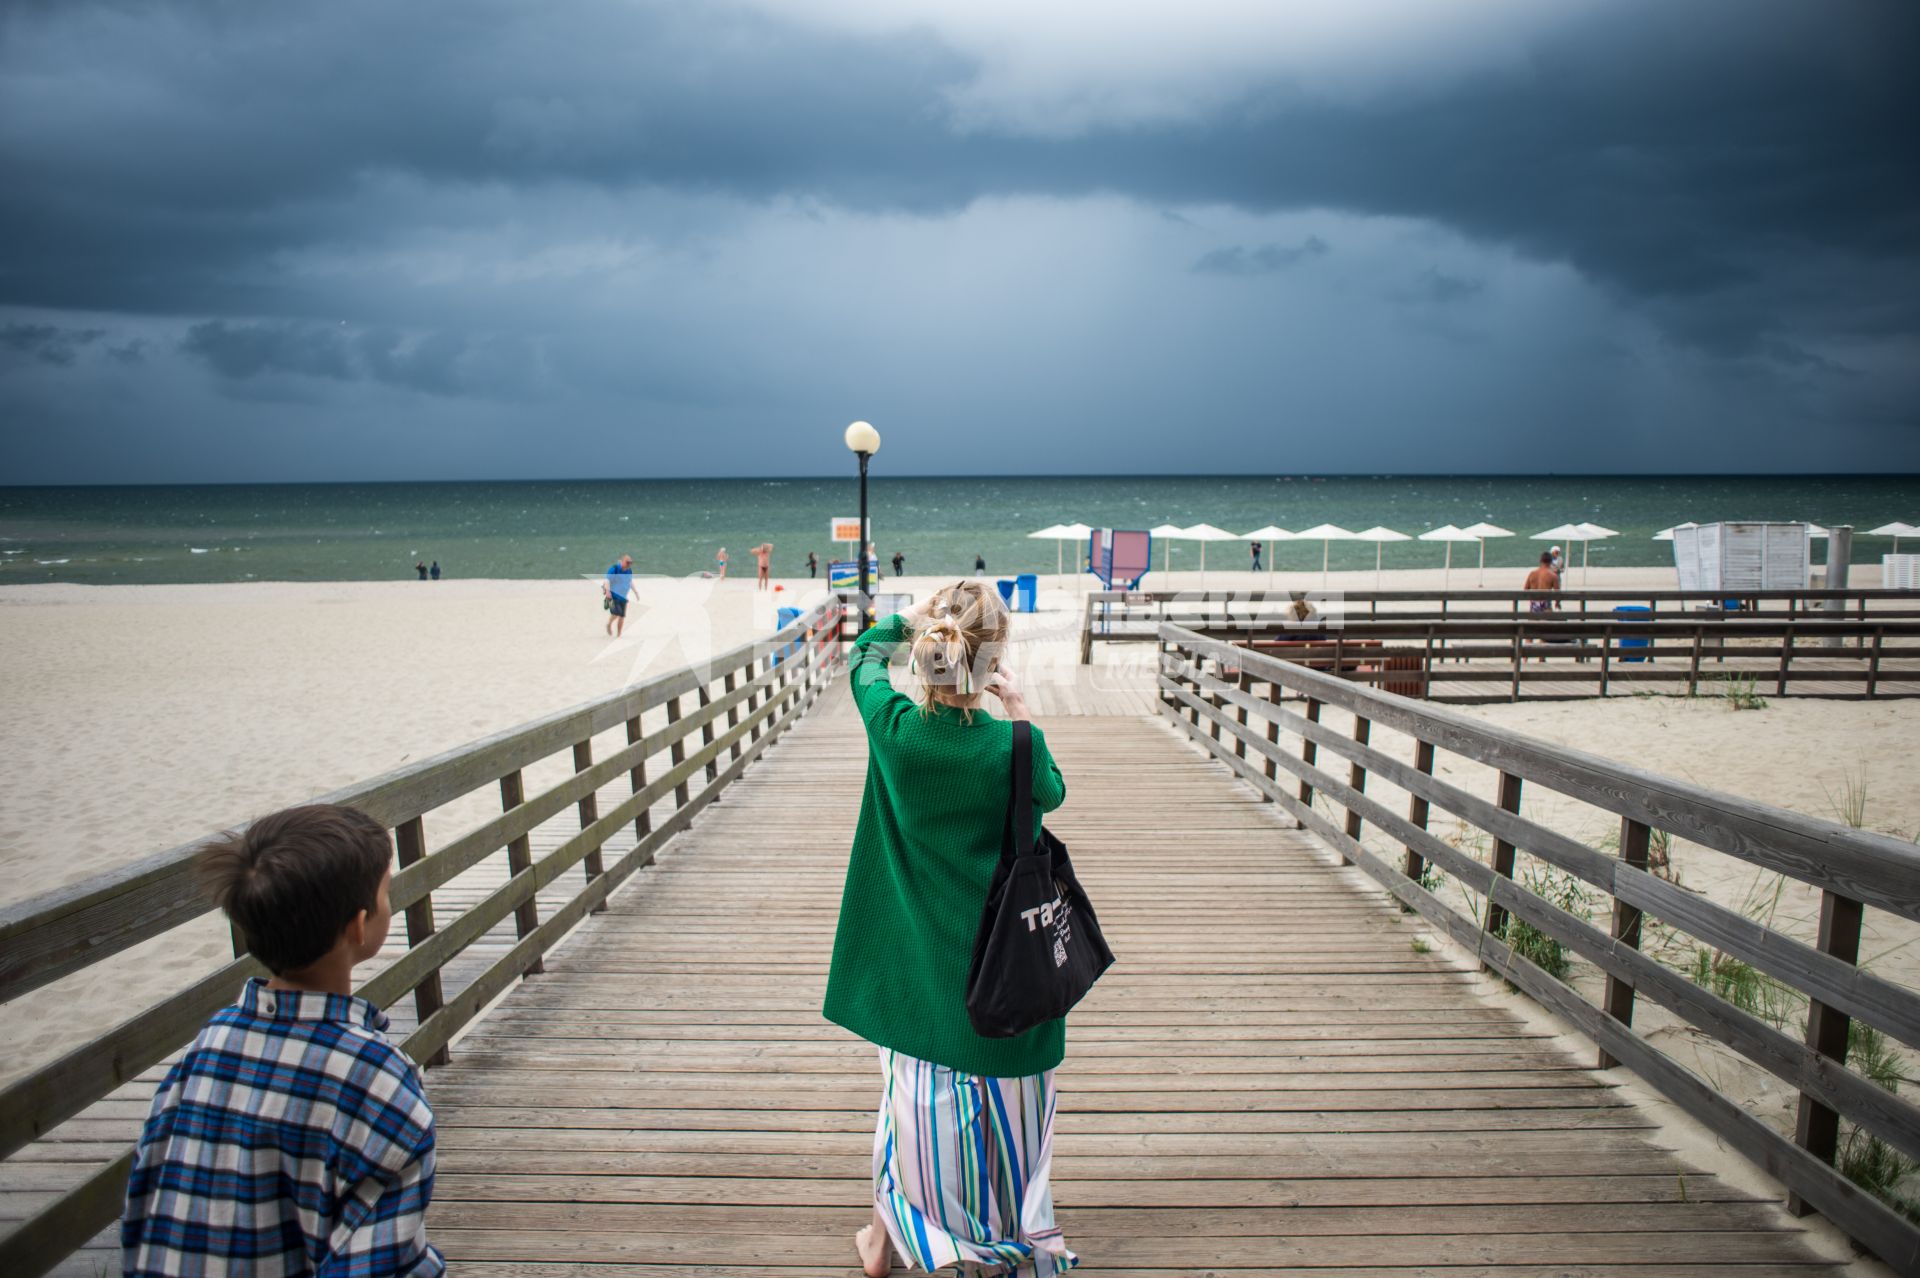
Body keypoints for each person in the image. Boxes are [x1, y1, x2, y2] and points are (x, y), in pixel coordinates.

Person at [825, 582, 1076, 1278]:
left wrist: (905, 623)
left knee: (908, 1091)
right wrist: (1018, 708)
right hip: (1006, 967)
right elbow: (1051, 790)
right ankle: (981, 1229)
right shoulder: (1009, 747)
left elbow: (862, 659)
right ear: (991, 662)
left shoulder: (895, 729)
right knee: (999, 1102)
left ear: (931, 653)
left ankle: (890, 1236)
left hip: (920, 967)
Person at [122, 805, 443, 1277]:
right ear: (359, 924)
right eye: (386, 892)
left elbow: (144, 1203)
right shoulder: (380, 1082)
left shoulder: (205, 1049)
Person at [604, 553, 635, 637]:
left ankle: (619, 634)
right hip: (613, 595)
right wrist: (607, 591)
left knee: (622, 616)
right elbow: (607, 580)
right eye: (627, 562)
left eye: (630, 563)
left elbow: (629, 581)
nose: (629, 564)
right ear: (622, 561)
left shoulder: (629, 571)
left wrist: (635, 592)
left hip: (623, 596)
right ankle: (609, 624)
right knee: (617, 613)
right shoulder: (614, 569)